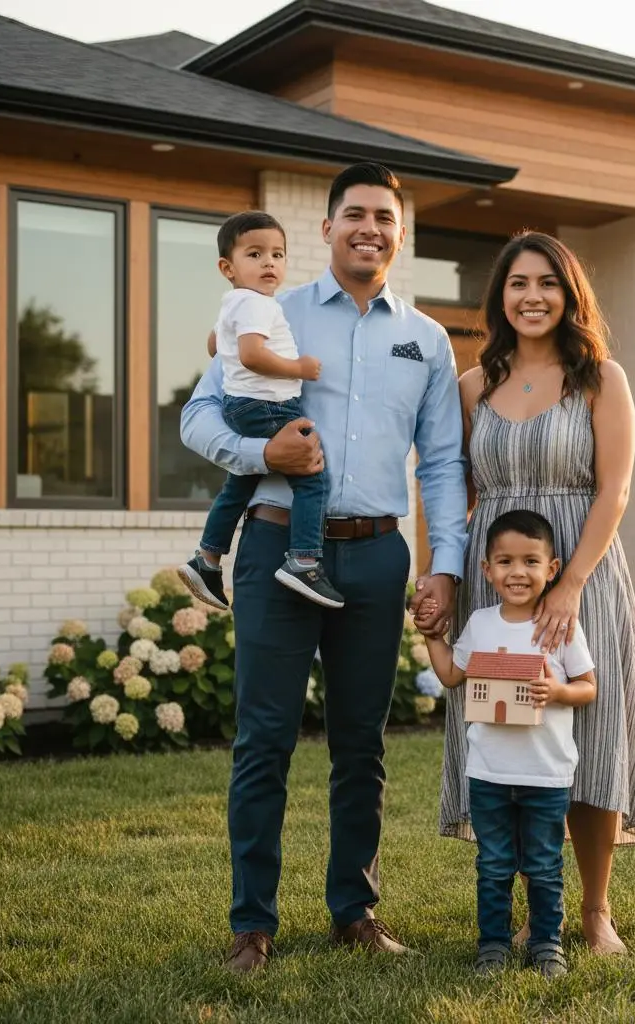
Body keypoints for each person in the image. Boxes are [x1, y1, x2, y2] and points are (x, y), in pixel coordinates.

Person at [180, 162, 466, 973]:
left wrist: (444, 565)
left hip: (378, 553)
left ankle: (354, 909)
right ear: (327, 227)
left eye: (384, 216)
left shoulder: (427, 340)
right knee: (263, 739)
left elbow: (442, 462)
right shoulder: (273, 311)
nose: (368, 228)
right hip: (277, 544)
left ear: (400, 234)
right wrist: (256, 449)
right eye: (354, 215)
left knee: (361, 744)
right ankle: (251, 925)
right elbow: (198, 415)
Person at [416, 230, 635, 956]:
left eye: (547, 284)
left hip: (580, 572)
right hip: (497, 578)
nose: (533, 297)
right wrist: (442, 574)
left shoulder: (600, 379)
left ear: (569, 296)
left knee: (592, 736)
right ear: (500, 297)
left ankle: (594, 910)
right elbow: (446, 491)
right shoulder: (471, 388)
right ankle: (535, 913)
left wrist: (572, 585)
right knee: (513, 735)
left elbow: (615, 488)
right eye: (518, 283)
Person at [424, 509, 596, 978]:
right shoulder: (480, 623)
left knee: (543, 864)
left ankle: (546, 943)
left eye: (530, 561)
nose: (517, 572)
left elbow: (588, 686)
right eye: (504, 561)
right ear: (487, 570)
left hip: (545, 771)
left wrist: (558, 692)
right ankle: (493, 945)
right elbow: (452, 676)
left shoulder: (560, 626)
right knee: (494, 864)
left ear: (552, 569)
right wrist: (431, 638)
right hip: (489, 772)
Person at [177, 211, 342, 611]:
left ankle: (208, 558)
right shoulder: (257, 305)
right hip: (267, 405)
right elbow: (251, 354)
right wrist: (299, 368)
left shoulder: (234, 302)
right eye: (255, 254)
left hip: (241, 405)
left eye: (277, 254)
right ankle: (303, 560)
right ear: (227, 267)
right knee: (312, 476)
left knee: (240, 482)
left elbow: (217, 345)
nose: (269, 262)